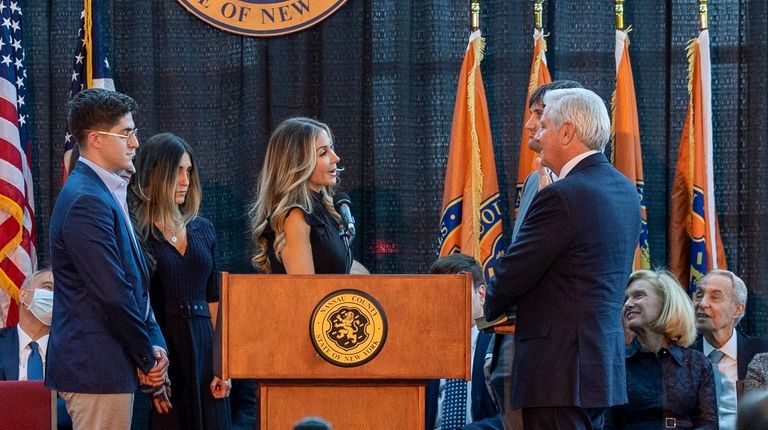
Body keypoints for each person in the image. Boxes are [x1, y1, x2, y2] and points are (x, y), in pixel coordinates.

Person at [484, 88, 641, 429]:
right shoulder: (625, 190)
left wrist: (486, 305)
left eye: (546, 125)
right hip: (599, 366)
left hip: (558, 370)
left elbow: (517, 270)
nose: (537, 133)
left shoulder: (563, 195)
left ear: (567, 132)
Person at [48, 88, 169, 430]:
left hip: (110, 367)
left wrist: (156, 346)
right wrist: (147, 358)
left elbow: (135, 287)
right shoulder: (86, 200)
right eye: (127, 133)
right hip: (96, 369)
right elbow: (112, 294)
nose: (135, 143)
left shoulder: (104, 192)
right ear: (96, 139)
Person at [485, 80, 582, 430]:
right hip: (514, 341)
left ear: (566, 125)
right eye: (531, 115)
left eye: (539, 115)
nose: (529, 125)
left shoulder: (582, 189)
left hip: (559, 359)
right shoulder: (531, 182)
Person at [129, 132, 231, 429]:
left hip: (205, 347)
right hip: (163, 347)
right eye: (177, 172)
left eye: (189, 171)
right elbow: (135, 305)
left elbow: (215, 300)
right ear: (155, 173)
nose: (185, 180)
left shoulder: (204, 228)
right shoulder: (137, 232)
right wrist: (148, 367)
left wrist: (223, 365)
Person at [606, 269, 718, 429]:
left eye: (638, 295)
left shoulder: (697, 364)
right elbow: (605, 424)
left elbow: (709, 426)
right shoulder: (617, 364)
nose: (628, 304)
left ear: (666, 302)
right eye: (626, 299)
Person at [250, 117, 351, 275]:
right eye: (323, 153)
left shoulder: (325, 210)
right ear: (298, 162)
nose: (336, 158)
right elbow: (303, 292)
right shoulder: (295, 216)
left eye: (331, 148)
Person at [425, 254, 501, 430]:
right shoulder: (424, 348)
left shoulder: (500, 343)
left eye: (456, 291)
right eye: (439, 292)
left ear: (481, 294)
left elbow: (513, 417)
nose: (446, 301)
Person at [692, 269, 768, 428]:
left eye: (715, 297)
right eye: (699, 295)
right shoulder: (682, 355)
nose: (703, 303)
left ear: (737, 309)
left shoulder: (763, 353)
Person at [0, 270, 72, 429]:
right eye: (48, 287)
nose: (54, 296)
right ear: (23, 294)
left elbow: (78, 408)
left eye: (61, 292)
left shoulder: (74, 351)